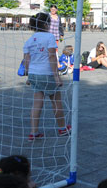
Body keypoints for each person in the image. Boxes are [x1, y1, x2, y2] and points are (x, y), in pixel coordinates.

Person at [23, 12, 71, 142]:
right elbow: (51, 56)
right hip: (47, 74)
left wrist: (28, 75)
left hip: (34, 74)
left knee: (37, 103)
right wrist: (56, 76)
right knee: (56, 101)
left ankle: (34, 132)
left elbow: (26, 58)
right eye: (49, 23)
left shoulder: (30, 40)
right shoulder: (49, 37)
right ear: (45, 24)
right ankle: (62, 128)